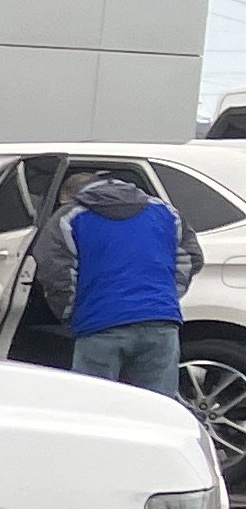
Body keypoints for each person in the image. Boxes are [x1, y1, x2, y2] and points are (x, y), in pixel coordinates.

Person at [32, 167, 199, 398]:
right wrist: (164, 297)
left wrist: (71, 313)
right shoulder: (166, 212)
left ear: (68, 195)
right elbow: (191, 258)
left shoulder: (68, 217)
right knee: (157, 409)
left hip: (99, 326)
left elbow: (55, 273)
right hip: (160, 325)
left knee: (96, 409)